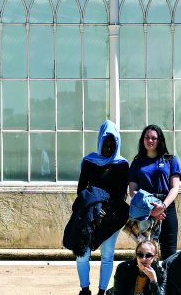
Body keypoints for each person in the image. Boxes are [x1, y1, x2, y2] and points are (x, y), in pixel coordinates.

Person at [73, 120, 130, 295]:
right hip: (89, 214)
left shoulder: (122, 164)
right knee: (81, 253)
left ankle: (102, 291)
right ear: (100, 142)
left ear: (117, 144)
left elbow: (120, 194)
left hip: (112, 216)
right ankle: (85, 289)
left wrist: (104, 212)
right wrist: (92, 210)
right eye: (105, 144)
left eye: (113, 144)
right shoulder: (89, 161)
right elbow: (81, 189)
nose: (108, 148)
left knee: (107, 254)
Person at [127, 124, 181, 258]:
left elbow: (175, 188)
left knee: (169, 252)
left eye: (153, 138)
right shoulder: (137, 162)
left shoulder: (170, 160)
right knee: (146, 253)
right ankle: (149, 279)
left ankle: (167, 280)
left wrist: (162, 207)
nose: (150, 140)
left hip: (166, 207)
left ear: (159, 140)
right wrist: (149, 209)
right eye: (146, 137)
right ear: (142, 140)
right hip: (145, 210)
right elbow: (132, 191)